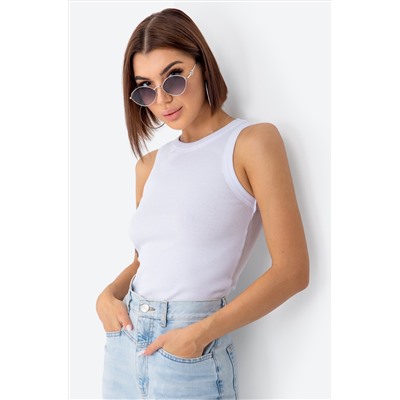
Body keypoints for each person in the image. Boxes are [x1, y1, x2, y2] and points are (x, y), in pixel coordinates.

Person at [96, 8, 309, 400]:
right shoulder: (149, 165)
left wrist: (200, 333)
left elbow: (293, 271)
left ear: (202, 64)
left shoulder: (252, 143)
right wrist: (107, 296)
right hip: (125, 345)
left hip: (189, 352)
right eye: (146, 88)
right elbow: (146, 261)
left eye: (174, 77)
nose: (162, 99)